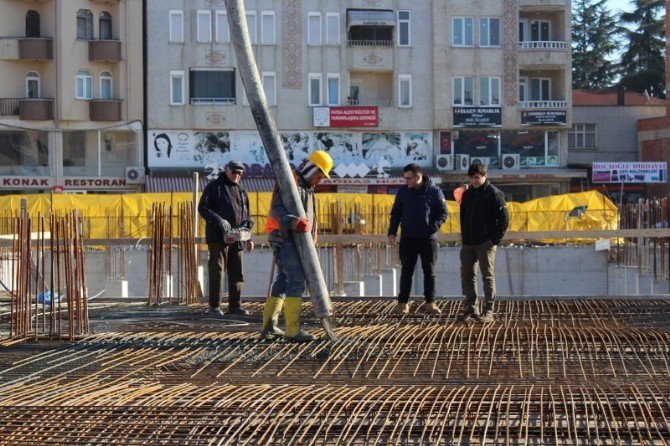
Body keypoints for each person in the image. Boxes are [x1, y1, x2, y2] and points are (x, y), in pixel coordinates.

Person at [261, 150, 333, 342]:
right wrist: (292, 222)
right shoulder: (290, 181)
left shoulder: (305, 187)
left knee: (283, 281)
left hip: (292, 240)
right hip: (285, 238)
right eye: (319, 176)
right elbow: (276, 208)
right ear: (313, 169)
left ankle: (269, 327)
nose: (320, 180)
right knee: (296, 281)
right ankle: (292, 330)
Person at [388, 163, 448, 315]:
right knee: (406, 271)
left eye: (408, 178)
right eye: (405, 178)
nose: (406, 181)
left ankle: (430, 303)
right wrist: (392, 232)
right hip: (408, 238)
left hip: (428, 239)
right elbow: (396, 213)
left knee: (429, 271)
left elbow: (443, 213)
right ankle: (402, 304)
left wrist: (432, 227)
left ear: (418, 177)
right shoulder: (403, 192)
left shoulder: (435, 192)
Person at [198, 160, 254, 316]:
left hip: (238, 238)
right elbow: (203, 208)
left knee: (237, 272)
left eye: (240, 174)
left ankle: (235, 306)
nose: (237, 176)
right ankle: (215, 307)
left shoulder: (242, 190)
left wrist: (249, 237)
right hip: (218, 237)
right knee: (217, 271)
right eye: (234, 172)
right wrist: (219, 221)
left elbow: (247, 216)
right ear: (226, 170)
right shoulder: (214, 187)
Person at [458, 161, 509, 324]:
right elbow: (463, 217)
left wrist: (493, 240)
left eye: (477, 177)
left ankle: (489, 311)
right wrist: (465, 237)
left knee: (487, 276)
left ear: (485, 176)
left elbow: (504, 220)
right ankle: (471, 308)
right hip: (468, 243)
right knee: (468, 275)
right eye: (472, 177)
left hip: (485, 243)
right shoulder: (468, 194)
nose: (474, 180)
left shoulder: (495, 194)